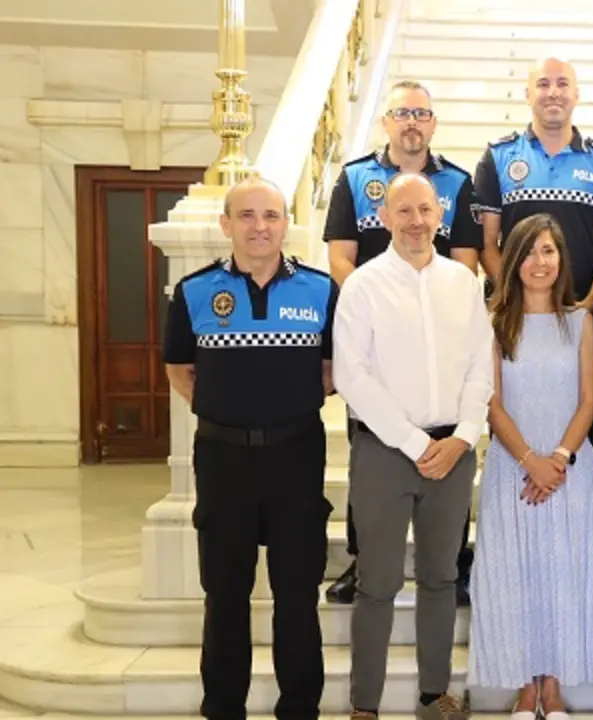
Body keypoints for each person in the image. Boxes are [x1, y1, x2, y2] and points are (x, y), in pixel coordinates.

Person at [162, 175, 338, 720]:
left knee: (297, 594)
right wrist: (230, 409)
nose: (259, 227)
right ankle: (222, 708)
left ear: (287, 224)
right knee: (224, 594)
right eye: (247, 215)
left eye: (271, 216)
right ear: (226, 224)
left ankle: (299, 709)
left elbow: (332, 370)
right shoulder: (194, 291)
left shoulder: (320, 290)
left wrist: (282, 405)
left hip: (296, 457)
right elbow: (180, 371)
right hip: (224, 461)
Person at [333, 173, 494, 720]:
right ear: (385, 218)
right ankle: (365, 706)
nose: (416, 221)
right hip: (385, 451)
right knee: (377, 583)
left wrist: (464, 436)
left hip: (453, 453)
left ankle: (433, 695)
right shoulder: (363, 286)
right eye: (403, 211)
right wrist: (413, 442)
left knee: (441, 578)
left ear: (440, 215)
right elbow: (352, 376)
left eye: (425, 210)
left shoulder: (462, 282)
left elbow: (480, 366)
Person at [322, 78, 484, 606]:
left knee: (452, 458)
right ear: (386, 122)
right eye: (402, 113)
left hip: (436, 328)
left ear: (432, 123)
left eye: (421, 113)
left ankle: (454, 560)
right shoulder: (355, 178)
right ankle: (364, 559)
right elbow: (340, 258)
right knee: (370, 448)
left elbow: (465, 263)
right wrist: (376, 313)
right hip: (374, 336)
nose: (411, 122)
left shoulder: (457, 182)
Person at [467, 213, 593, 718]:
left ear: (561, 259)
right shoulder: (493, 322)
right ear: (513, 260)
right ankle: (524, 687)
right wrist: (529, 461)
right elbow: (491, 403)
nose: (539, 262)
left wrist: (557, 459)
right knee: (517, 576)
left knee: (560, 575)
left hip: (568, 470)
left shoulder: (579, 321)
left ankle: (551, 687)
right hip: (512, 469)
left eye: (548, 251)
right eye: (530, 251)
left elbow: (590, 400)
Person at [472, 56, 593, 547]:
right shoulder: (499, 158)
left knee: (584, 438)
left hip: (578, 326)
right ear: (528, 94)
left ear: (576, 94)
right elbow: (488, 245)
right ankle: (517, 548)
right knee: (512, 435)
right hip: (516, 329)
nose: (553, 92)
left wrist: (584, 306)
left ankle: (583, 548)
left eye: (562, 84)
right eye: (543, 83)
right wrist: (522, 301)